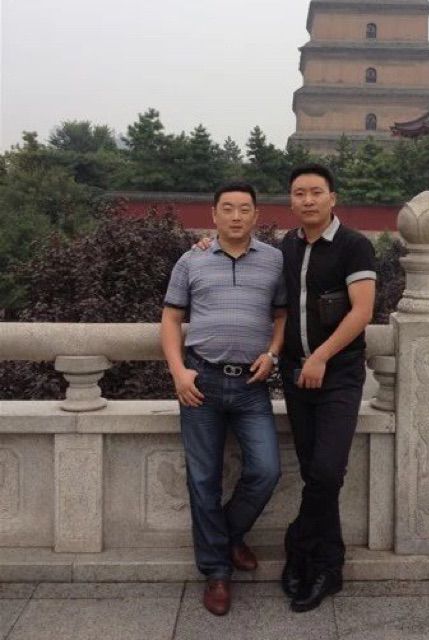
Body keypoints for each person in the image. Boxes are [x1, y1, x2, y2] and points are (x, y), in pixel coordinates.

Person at [161, 181, 286, 616]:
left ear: (256, 215)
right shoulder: (191, 259)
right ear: (213, 214)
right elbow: (171, 319)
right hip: (202, 383)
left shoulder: (274, 260)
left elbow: (282, 315)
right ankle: (217, 572)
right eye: (227, 208)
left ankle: (227, 536)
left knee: (267, 470)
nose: (236, 216)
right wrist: (178, 372)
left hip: (251, 385)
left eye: (244, 209)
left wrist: (273, 353)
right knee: (203, 480)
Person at [280, 164, 376, 612]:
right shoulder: (287, 245)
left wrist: (321, 356)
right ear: (291, 200)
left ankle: (298, 544)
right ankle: (326, 567)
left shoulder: (354, 246)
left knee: (326, 471)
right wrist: (204, 246)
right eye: (299, 193)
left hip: (339, 373)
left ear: (332, 198)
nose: (308, 200)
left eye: (316, 192)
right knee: (314, 472)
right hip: (296, 375)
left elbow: (361, 311)